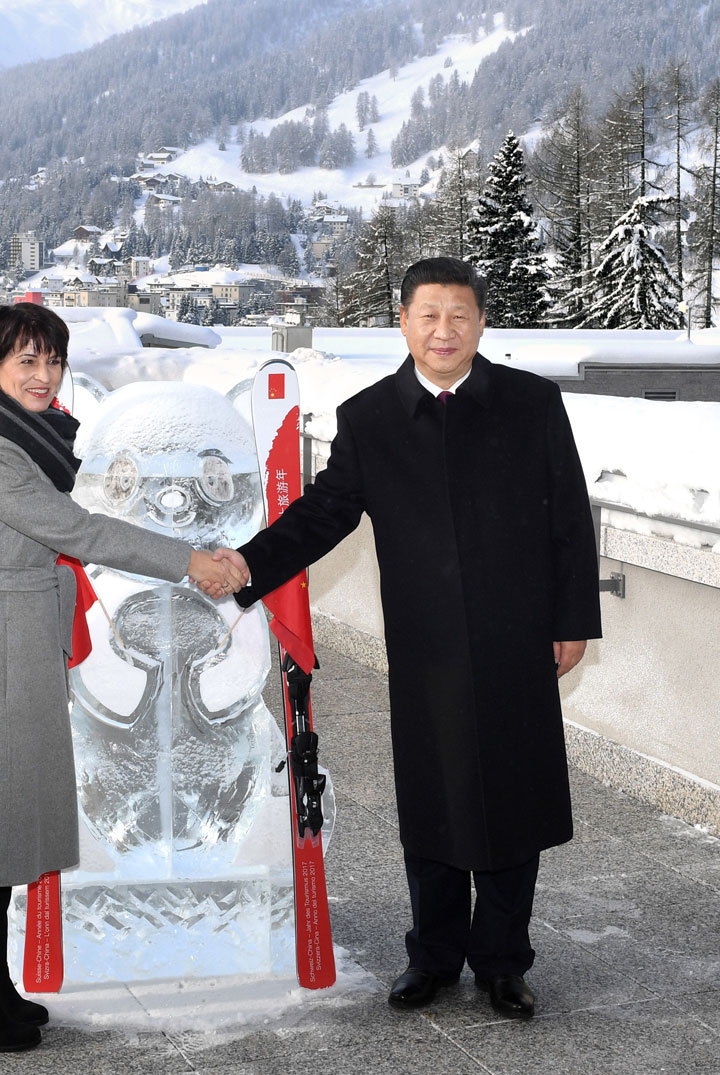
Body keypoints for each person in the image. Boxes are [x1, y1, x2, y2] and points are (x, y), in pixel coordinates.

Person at [222, 257, 601, 1019]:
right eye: (428, 315)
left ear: (481, 323)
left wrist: (572, 622)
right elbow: (325, 512)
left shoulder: (532, 403)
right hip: (427, 645)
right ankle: (432, 956)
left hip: (518, 635)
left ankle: (503, 962)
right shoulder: (371, 418)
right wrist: (246, 566)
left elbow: (568, 517)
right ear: (402, 322)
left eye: (459, 315)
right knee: (434, 801)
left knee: (511, 799)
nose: (443, 330)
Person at [0, 302, 245, 1054]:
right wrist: (191, 561)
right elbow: (79, 530)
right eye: (27, 360)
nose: (44, 376)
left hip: (10, 637)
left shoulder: (18, 440)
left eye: (53, 361)